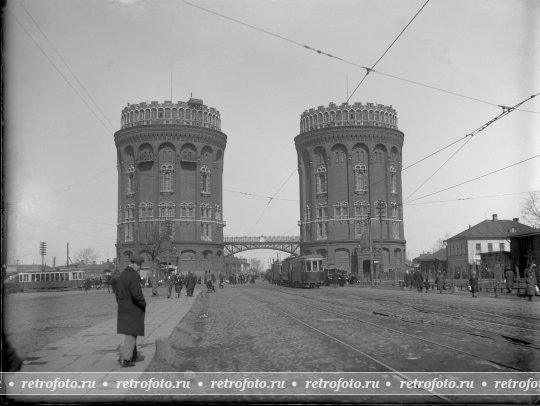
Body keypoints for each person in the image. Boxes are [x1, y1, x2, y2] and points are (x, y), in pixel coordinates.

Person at [115, 254, 146, 367]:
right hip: (133, 307)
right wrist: (143, 304)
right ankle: (126, 359)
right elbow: (137, 294)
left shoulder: (123, 274)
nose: (139, 267)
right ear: (134, 264)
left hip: (123, 307)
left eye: (140, 265)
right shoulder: (133, 276)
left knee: (132, 331)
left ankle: (134, 355)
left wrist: (121, 303)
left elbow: (117, 292)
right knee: (132, 332)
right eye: (138, 265)